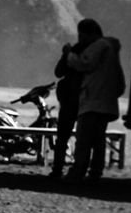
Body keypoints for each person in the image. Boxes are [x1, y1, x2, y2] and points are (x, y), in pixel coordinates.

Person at [63, 18, 124, 183]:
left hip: (92, 100)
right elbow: (120, 84)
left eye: (82, 36)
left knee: (83, 139)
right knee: (98, 140)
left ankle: (78, 171)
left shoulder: (99, 46)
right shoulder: (111, 49)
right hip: (105, 102)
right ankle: (96, 172)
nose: (81, 40)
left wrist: (69, 54)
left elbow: (85, 63)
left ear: (90, 33)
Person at [48, 35, 88, 179]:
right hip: (81, 101)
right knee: (81, 138)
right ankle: (77, 169)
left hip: (71, 101)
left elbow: (59, 72)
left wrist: (66, 55)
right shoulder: (91, 53)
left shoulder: (77, 53)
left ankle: (59, 169)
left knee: (63, 137)